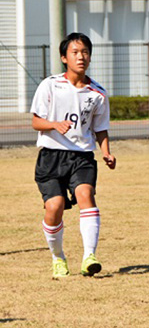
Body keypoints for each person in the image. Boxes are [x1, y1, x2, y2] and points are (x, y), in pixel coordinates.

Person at [30, 32, 116, 279]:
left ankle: (90, 257)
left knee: (85, 194)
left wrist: (107, 153)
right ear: (64, 58)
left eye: (85, 52)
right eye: (75, 52)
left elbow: (100, 128)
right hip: (51, 156)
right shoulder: (49, 85)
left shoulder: (97, 93)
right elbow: (36, 122)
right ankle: (58, 257)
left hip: (82, 157)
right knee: (54, 206)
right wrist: (54, 125)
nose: (81, 57)